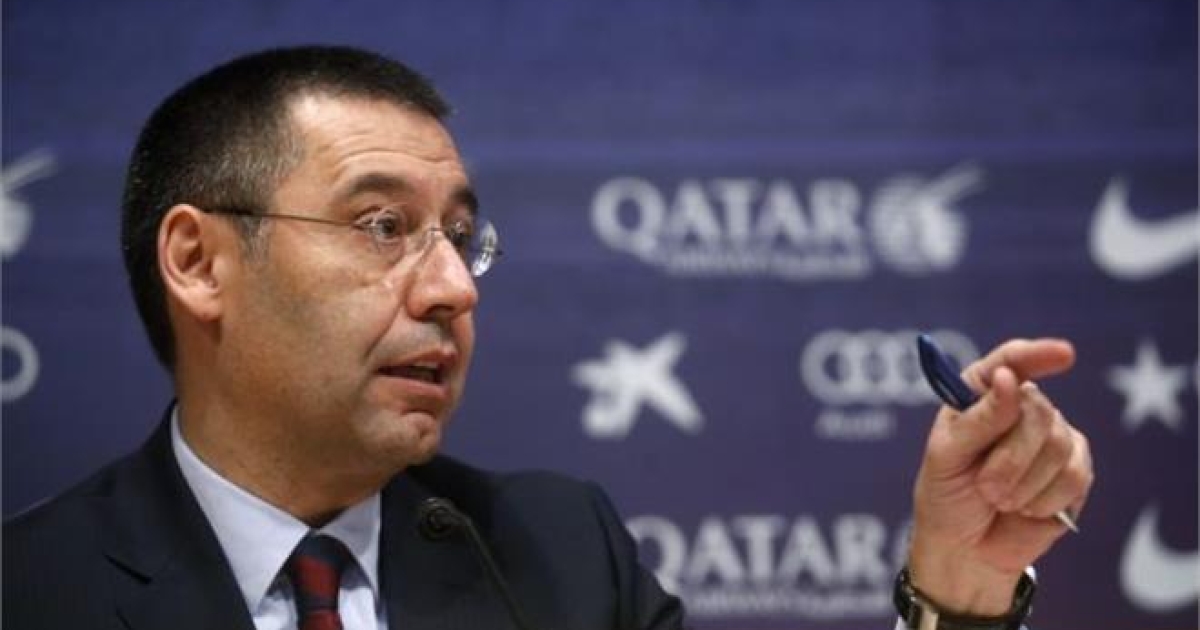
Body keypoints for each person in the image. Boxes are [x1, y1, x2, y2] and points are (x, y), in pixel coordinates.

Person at [3, 46, 1093, 630]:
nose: (451, 289)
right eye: (382, 227)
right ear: (199, 263)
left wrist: (958, 586)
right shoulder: (31, 591)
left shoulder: (556, 559)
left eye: (460, 238)